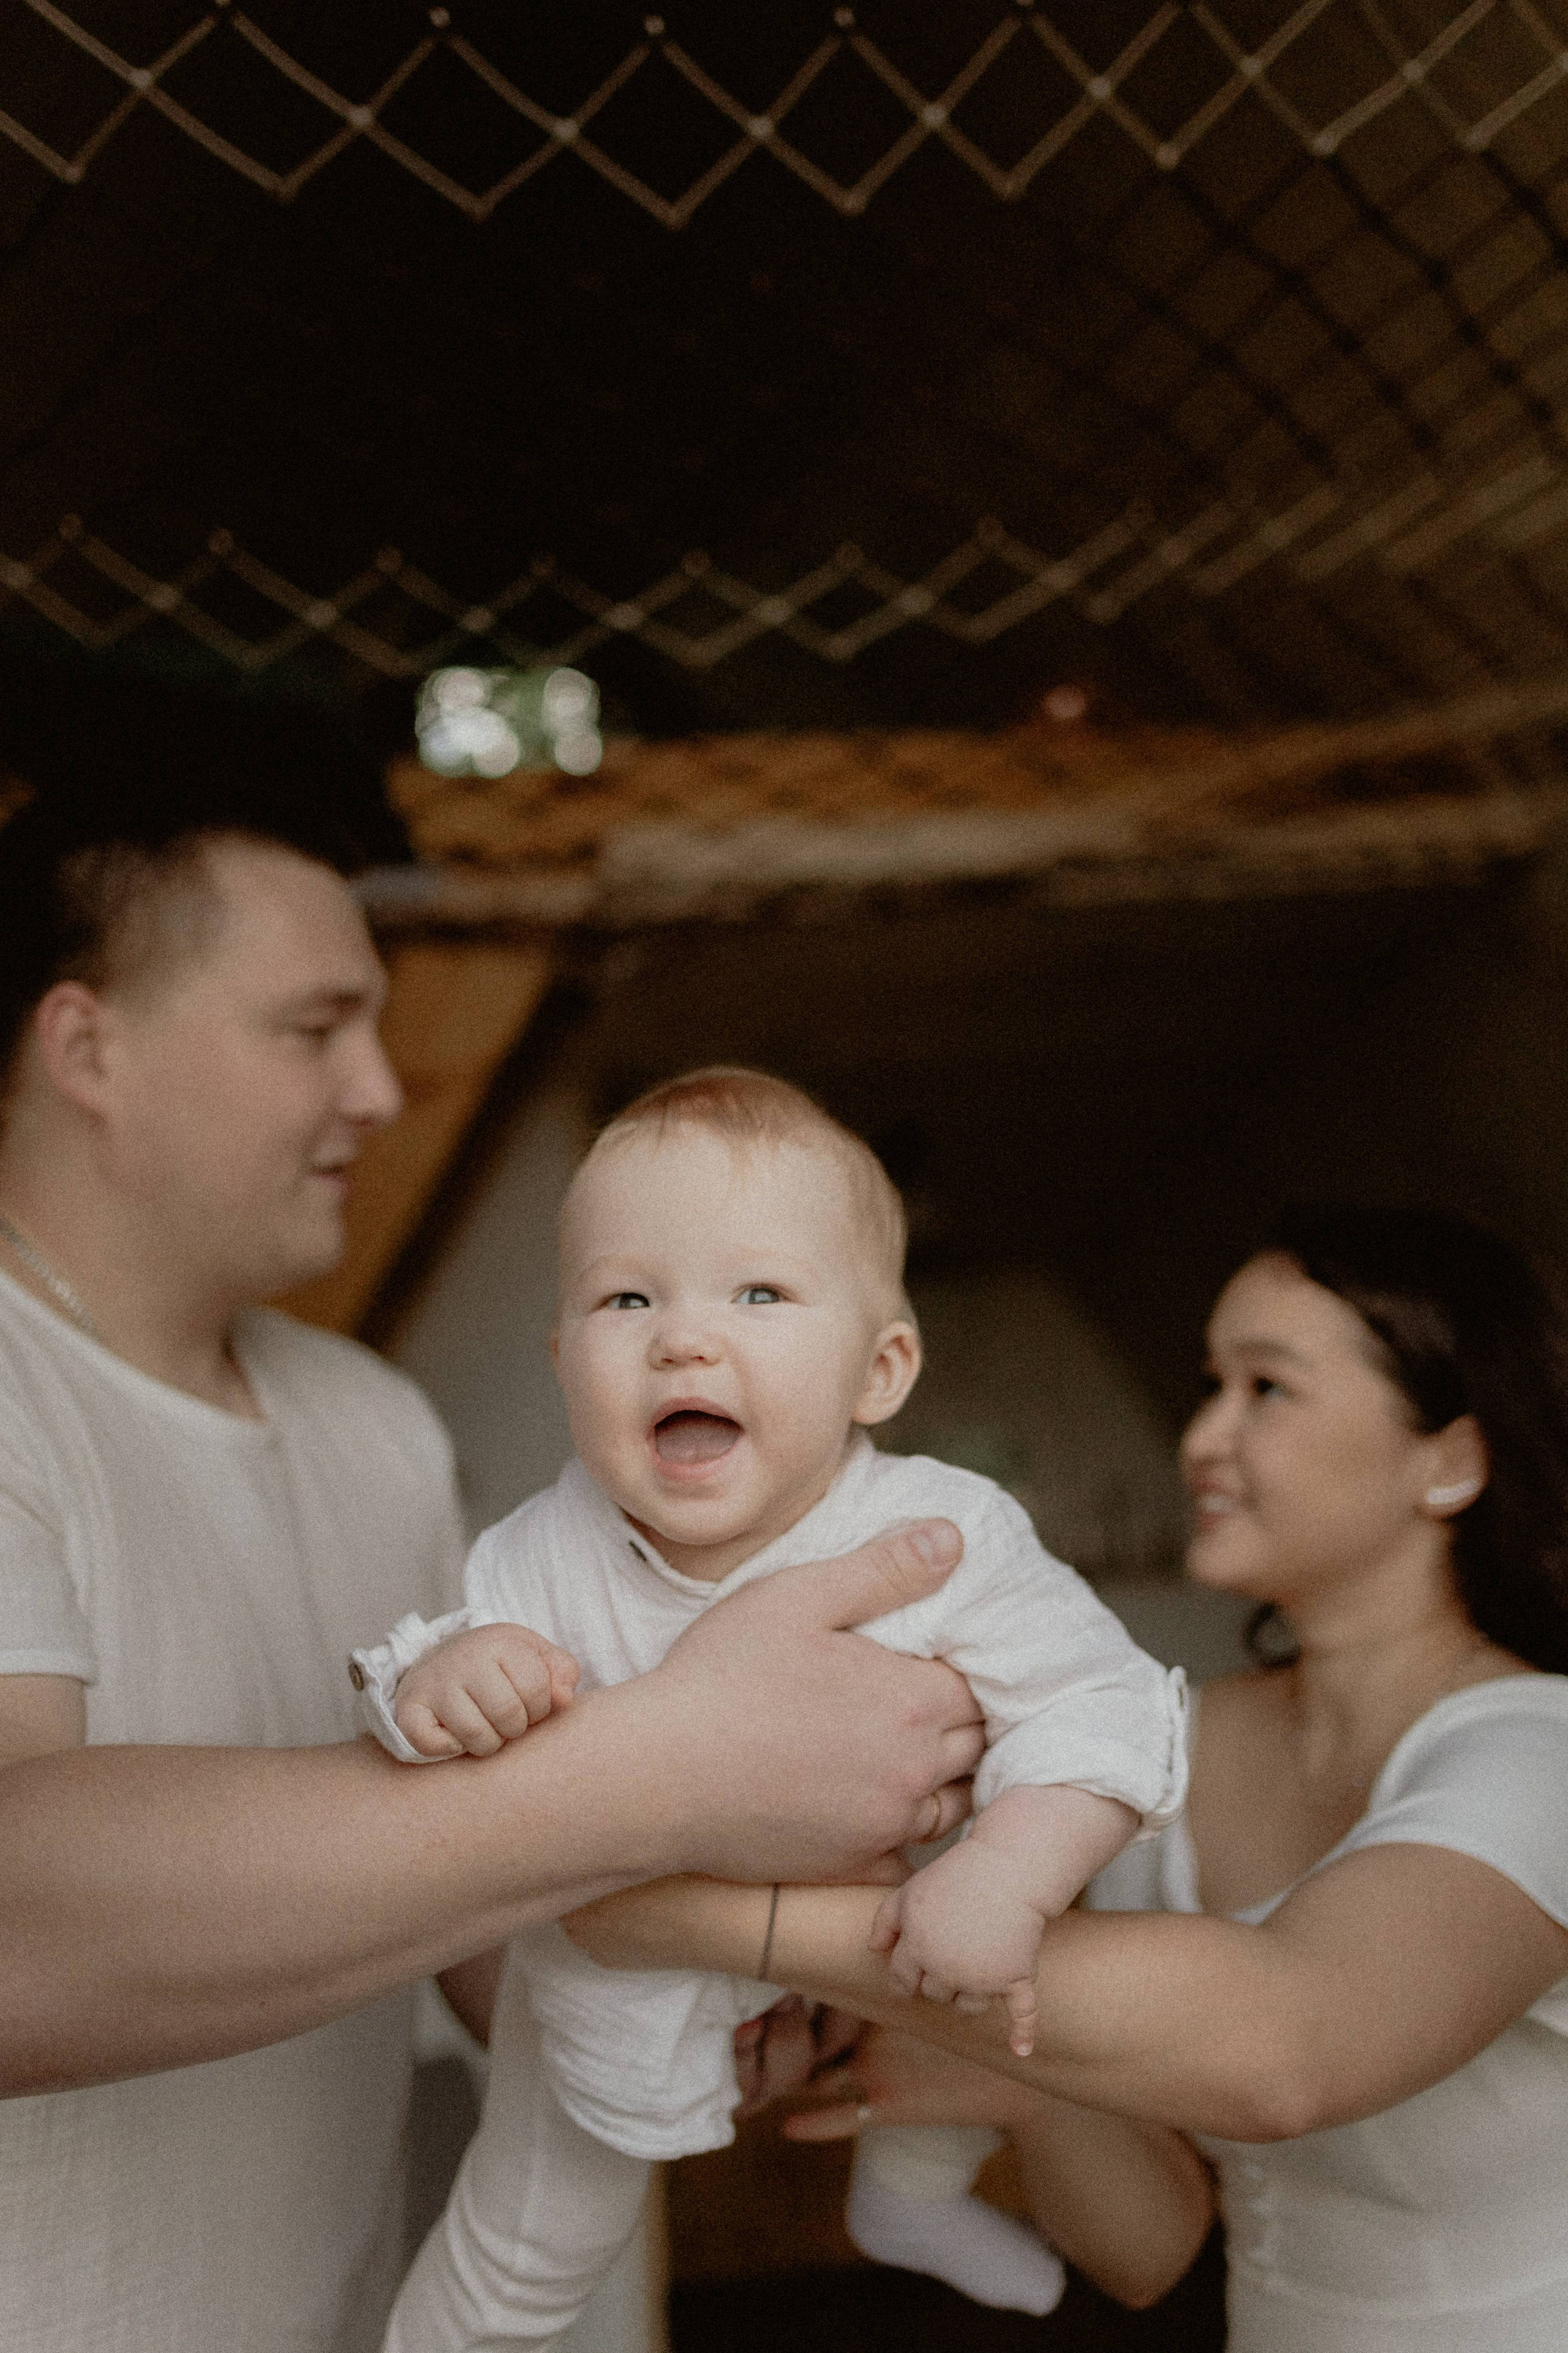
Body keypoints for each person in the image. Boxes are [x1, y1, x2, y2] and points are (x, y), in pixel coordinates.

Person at [0, 759, 986, 2353]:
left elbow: (468, 1938)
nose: (382, 1089)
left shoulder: (372, 1423)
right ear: (85, 1044)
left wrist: (715, 2006)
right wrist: (675, 1764)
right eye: (314, 1029)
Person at [568, 1206, 1568, 2351]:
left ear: (1452, 1461)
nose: (1202, 1436)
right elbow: (1156, 2248)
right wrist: (1023, 2082)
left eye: (1268, 1389)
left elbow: (1288, 2049)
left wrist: (696, 1917)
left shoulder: (1545, 1755)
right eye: (1210, 1386)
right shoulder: (1161, 1742)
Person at [352, 1067, 1187, 2349]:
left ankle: (909, 2197)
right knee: (522, 2253)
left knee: (974, 2014)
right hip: (606, 1987)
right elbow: (439, 1726)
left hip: (889, 1947)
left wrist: (1014, 1870)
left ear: (879, 1366)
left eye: (758, 1293)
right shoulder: (541, 1552)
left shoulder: (939, 1534)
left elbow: (1103, 1705)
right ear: (566, 1358)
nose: (683, 1338)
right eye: (627, 1298)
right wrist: (442, 1687)